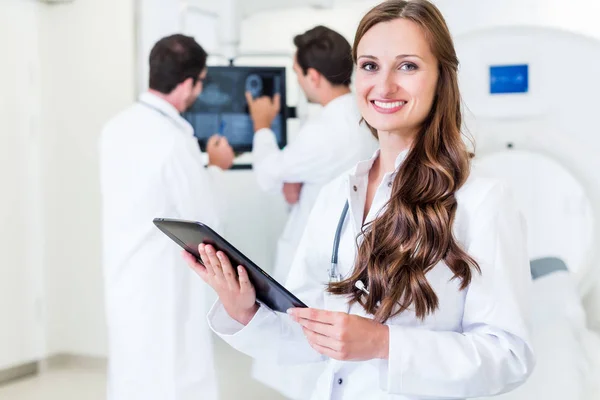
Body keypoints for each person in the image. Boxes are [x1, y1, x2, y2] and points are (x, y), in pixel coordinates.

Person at [185, 0, 536, 399]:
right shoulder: (337, 194)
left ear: (442, 78)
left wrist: (385, 344)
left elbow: (508, 356)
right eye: (370, 66)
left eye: (408, 66)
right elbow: (310, 332)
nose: (384, 86)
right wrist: (244, 309)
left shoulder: (483, 201)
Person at [244, 25, 378, 398]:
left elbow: (269, 176)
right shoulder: (364, 117)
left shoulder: (325, 129)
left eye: (298, 73)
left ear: (313, 76)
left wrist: (261, 127)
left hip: (321, 254)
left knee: (304, 354)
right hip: (355, 253)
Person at [100, 34, 234, 400]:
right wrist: (218, 168)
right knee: (173, 376)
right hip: (163, 286)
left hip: (125, 281)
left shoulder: (115, 128)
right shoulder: (174, 139)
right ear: (189, 82)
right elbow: (207, 220)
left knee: (132, 374)